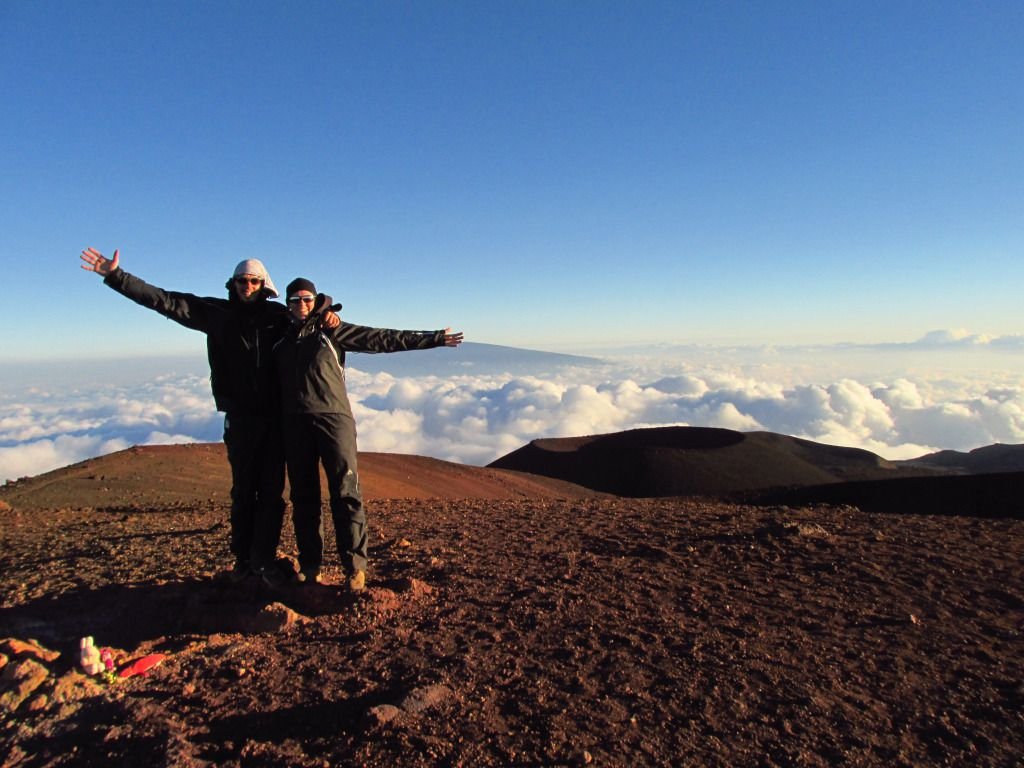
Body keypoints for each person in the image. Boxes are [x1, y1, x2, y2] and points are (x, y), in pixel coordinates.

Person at [79, 247, 337, 584]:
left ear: (265, 284)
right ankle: (244, 561)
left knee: (272, 493)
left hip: (275, 419)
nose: (247, 285)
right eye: (242, 280)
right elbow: (164, 300)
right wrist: (116, 276)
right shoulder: (215, 313)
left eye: (254, 281)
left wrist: (330, 312)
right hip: (241, 419)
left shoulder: (278, 316)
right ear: (233, 283)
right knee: (244, 491)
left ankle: (263, 560)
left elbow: (310, 312)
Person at [272, 276, 463, 592]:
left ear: (317, 301)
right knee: (303, 496)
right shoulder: (278, 336)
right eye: (295, 300)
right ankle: (310, 567)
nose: (301, 305)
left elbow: (382, 339)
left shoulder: (332, 331)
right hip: (293, 424)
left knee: (345, 492)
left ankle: (354, 569)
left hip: (334, 421)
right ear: (288, 304)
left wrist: (433, 339)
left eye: (307, 299)